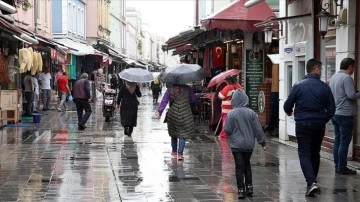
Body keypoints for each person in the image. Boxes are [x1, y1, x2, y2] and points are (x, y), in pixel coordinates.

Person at [283, 58, 335, 197]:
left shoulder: (298, 85)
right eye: (321, 69)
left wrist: (290, 113)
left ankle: (311, 182)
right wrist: (322, 119)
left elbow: (287, 106)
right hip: (318, 125)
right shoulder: (325, 87)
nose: (321, 71)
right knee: (315, 152)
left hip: (302, 124)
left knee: (304, 153)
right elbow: (331, 110)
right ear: (317, 69)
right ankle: (312, 182)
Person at [224, 89, 266, 199]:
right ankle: (249, 186)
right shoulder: (252, 113)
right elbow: (258, 129)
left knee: (239, 166)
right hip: (249, 144)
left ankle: (241, 189)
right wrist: (262, 142)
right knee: (247, 164)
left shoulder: (231, 114)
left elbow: (227, 129)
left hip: (236, 145)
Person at [329, 57, 360, 175]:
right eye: (353, 67)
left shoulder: (334, 77)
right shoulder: (347, 78)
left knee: (337, 140)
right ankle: (342, 167)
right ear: (350, 67)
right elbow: (351, 95)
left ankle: (337, 165)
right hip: (345, 114)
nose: (353, 70)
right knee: (344, 142)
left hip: (335, 113)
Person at [157, 84, 197, 161]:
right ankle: (180, 154)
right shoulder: (187, 88)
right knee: (183, 134)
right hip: (185, 114)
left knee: (174, 133)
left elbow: (164, 101)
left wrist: (160, 112)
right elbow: (193, 99)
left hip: (173, 114)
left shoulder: (170, 89)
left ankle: (174, 152)